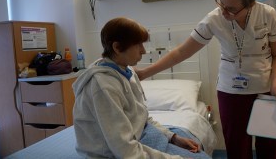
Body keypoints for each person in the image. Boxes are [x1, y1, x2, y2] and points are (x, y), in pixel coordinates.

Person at [137, 0, 276, 159]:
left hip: (267, 89)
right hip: (232, 91)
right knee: (237, 148)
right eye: (221, 3)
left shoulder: (267, 14)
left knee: (270, 148)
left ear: (250, 6)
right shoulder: (213, 19)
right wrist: (145, 72)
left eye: (230, 9)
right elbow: (181, 52)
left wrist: (274, 83)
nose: (223, 11)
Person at [72, 17, 210, 159]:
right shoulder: (103, 87)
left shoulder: (127, 71)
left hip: (139, 136)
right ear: (117, 47)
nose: (143, 51)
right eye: (138, 45)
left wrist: (173, 137)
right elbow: (125, 150)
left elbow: (141, 117)